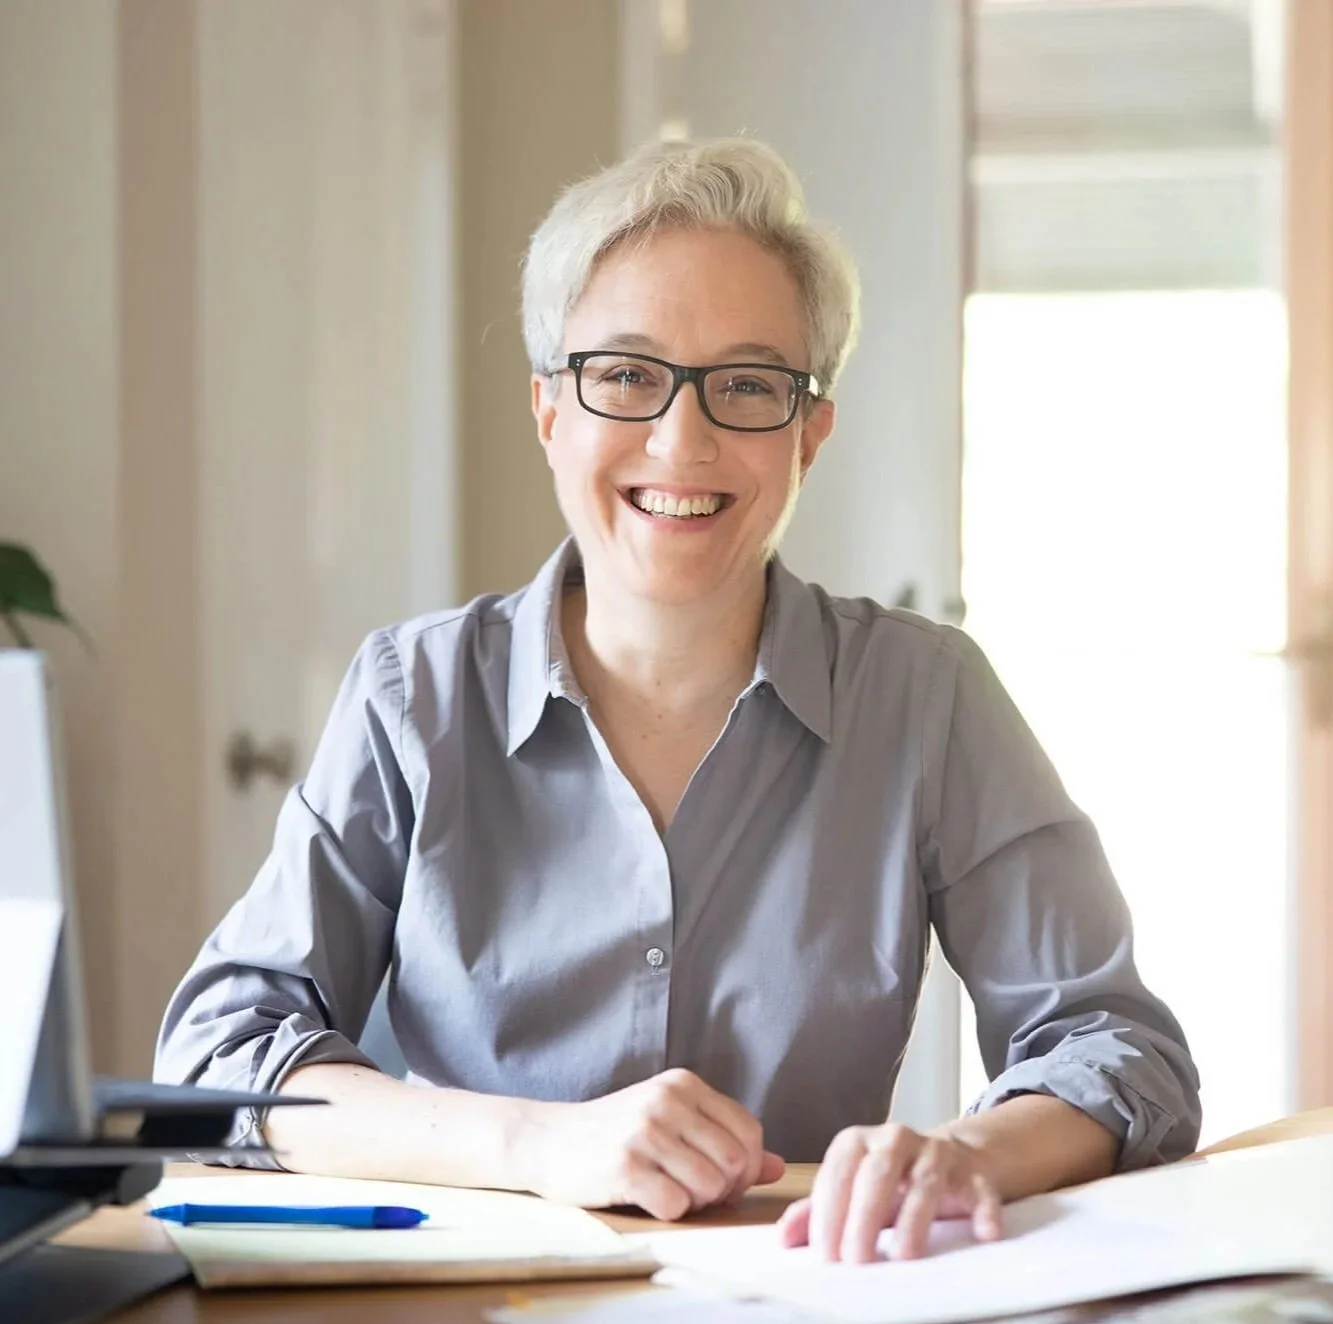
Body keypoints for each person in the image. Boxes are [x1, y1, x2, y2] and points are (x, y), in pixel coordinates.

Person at [156, 136, 1200, 1265]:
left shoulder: (926, 695)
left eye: (748, 384)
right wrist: (537, 1143)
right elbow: (220, 1052)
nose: (682, 440)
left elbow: (1116, 1045)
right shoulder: (412, 696)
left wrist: (966, 1153)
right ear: (551, 410)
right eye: (626, 374)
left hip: (806, 1293)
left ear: (811, 432)